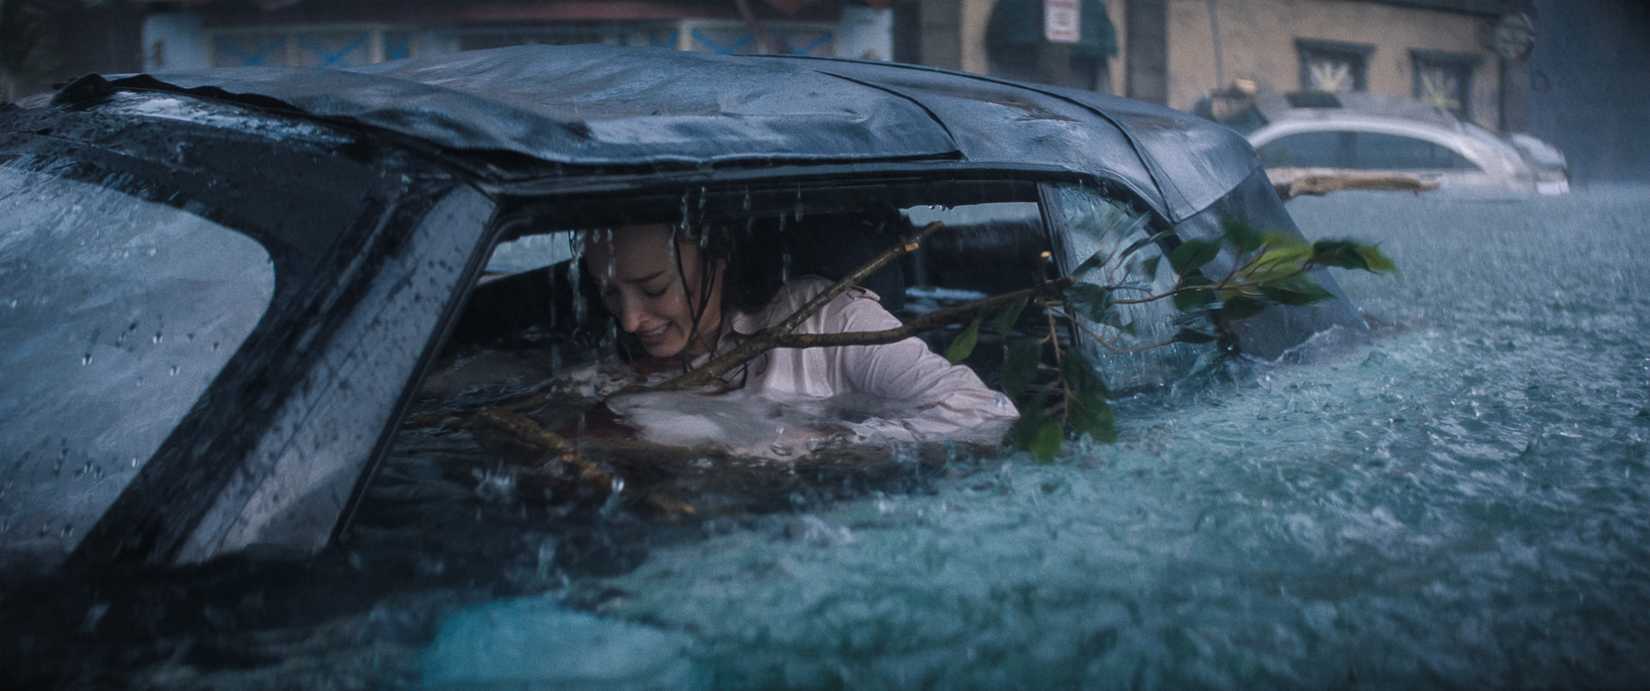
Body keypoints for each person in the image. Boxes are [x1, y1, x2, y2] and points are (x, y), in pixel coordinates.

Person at [581, 222, 1018, 445]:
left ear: (718, 255)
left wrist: (820, 444)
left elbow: (982, 412)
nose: (630, 321)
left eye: (654, 288)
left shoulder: (827, 319)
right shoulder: (607, 365)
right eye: (610, 294)